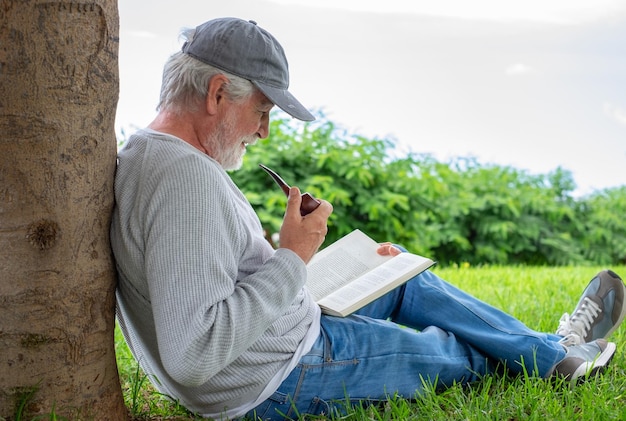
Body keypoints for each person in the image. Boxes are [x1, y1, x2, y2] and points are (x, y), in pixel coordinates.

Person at [110, 17, 626, 420]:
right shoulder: (184, 182)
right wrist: (292, 256)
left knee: (396, 272)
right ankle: (554, 355)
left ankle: (554, 352)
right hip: (277, 375)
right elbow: (193, 354)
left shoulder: (151, 154)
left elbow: (203, 287)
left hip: (277, 335)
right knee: (453, 354)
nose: (263, 132)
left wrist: (292, 261)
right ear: (218, 93)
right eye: (263, 110)